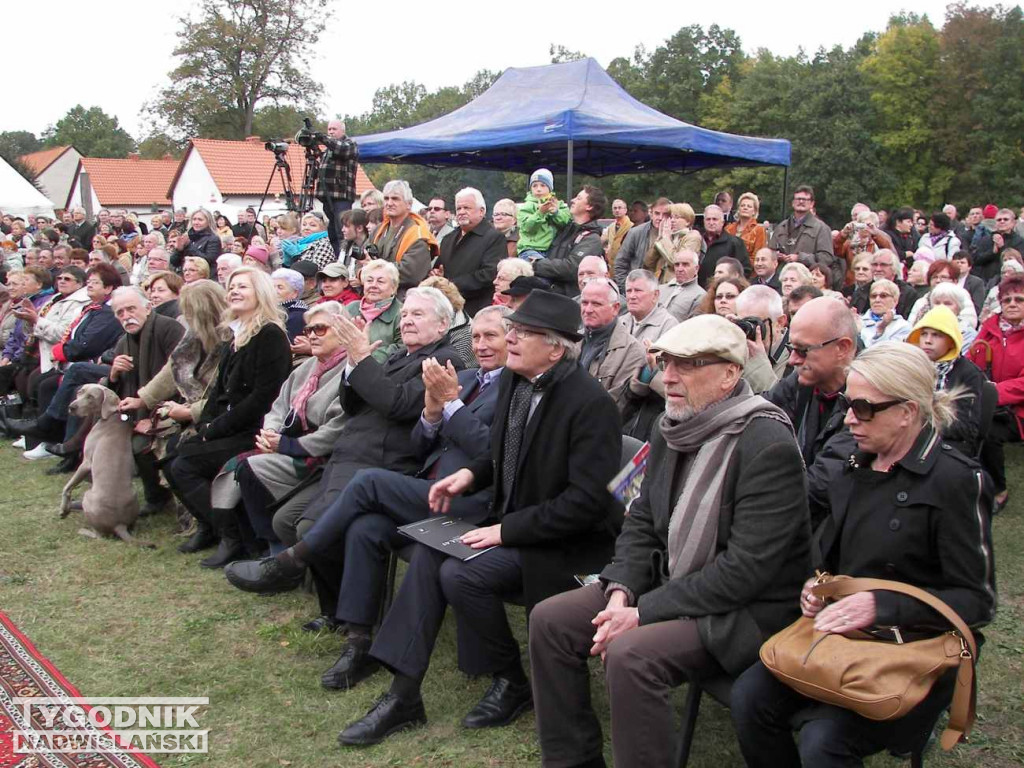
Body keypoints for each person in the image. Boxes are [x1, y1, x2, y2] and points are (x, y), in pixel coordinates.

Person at [338, 290, 621, 746]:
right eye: (512, 329)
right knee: (434, 556)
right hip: (513, 526)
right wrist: (469, 474)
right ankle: (404, 694)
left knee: (463, 575)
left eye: (521, 333)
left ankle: (510, 680)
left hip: (564, 546)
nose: (510, 339)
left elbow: (586, 505)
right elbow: (502, 453)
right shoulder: (515, 378)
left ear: (555, 347)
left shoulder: (590, 405)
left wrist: (504, 531)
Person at [530, 314, 811, 768]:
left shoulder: (767, 444)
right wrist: (620, 590)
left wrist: (642, 612)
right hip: (671, 582)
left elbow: (745, 572)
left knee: (630, 653)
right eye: (665, 363)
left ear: (729, 375)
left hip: (743, 612)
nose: (669, 377)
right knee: (551, 620)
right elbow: (641, 517)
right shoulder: (671, 426)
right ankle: (571, 759)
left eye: (687, 364)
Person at [731, 342, 995, 768]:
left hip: (913, 649)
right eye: (848, 406)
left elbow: (977, 600)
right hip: (840, 636)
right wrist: (818, 584)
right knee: (748, 699)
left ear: (908, 411)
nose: (850, 418)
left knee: (823, 742)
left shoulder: (955, 482)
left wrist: (882, 605)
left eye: (864, 408)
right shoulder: (853, 466)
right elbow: (834, 554)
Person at [226, 306, 507, 655]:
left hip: (469, 502)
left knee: (368, 482)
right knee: (365, 527)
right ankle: (357, 641)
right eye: (477, 336)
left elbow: (493, 454)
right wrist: (433, 416)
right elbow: (414, 438)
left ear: (443, 326)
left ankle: (292, 562)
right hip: (417, 482)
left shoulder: (501, 384)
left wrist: (449, 405)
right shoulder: (464, 380)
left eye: (490, 336)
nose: (480, 344)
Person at [267, 287, 463, 565]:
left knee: (307, 527)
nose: (406, 320)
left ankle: (331, 602)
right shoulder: (398, 356)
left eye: (417, 314)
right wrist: (351, 363)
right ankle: (313, 580)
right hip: (344, 458)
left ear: (443, 324)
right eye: (405, 313)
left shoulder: (444, 359)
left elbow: (397, 404)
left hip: (378, 464)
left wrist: (361, 357)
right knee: (284, 521)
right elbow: (352, 405)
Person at [208, 300, 349, 562]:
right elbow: (278, 407)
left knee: (248, 469)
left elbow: (338, 427)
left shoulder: (350, 370)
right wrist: (270, 433)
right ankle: (249, 543)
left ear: (342, 330)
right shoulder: (306, 368)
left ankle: (272, 550)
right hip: (287, 442)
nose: (312, 336)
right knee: (234, 467)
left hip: (318, 456)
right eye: (308, 330)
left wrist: (284, 445)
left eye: (320, 329)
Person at [167, 268, 292, 563]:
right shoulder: (235, 335)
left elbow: (263, 398)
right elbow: (219, 391)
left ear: (259, 293)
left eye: (242, 287)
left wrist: (213, 429)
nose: (234, 291)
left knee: (184, 464)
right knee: (174, 452)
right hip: (229, 425)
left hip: (255, 431)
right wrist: (205, 423)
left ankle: (231, 534)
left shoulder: (269, 335)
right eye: (231, 287)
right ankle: (213, 527)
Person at [767, 296, 858, 466]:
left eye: (802, 350)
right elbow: (761, 407)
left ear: (842, 348)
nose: (792, 360)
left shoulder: (868, 401)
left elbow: (825, 479)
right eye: (791, 348)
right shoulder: (803, 379)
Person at [968, 273, 1024, 510]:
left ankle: (998, 490)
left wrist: (991, 393)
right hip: (990, 401)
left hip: (1018, 410)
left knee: (987, 428)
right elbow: (971, 362)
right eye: (1007, 299)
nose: (1012, 304)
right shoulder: (989, 330)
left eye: (1019, 299)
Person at [906, 306, 985, 456]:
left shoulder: (968, 373)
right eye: (924, 334)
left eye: (936, 335)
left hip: (948, 442)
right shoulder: (911, 366)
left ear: (951, 340)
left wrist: (922, 424)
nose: (928, 341)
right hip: (907, 434)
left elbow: (967, 428)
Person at [580, 278, 647, 412]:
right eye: (584, 303)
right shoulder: (571, 340)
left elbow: (615, 406)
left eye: (596, 304)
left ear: (615, 308)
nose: (588, 309)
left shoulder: (633, 351)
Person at [436, 188, 506, 316]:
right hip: (447, 308)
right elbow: (440, 266)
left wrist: (450, 285)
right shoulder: (448, 239)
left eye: (467, 208)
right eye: (459, 208)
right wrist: (436, 274)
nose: (462, 212)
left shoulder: (494, 238)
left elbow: (489, 274)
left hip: (476, 310)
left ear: (481, 211)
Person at [531, 186, 606, 297]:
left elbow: (572, 268)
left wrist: (536, 265)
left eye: (578, 198)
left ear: (589, 206)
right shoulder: (566, 228)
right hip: (549, 295)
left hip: (568, 300)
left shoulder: (592, 239)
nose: (572, 200)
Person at [371, 180, 437, 295]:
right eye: (386, 198)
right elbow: (361, 258)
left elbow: (410, 273)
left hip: (405, 298)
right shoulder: (378, 230)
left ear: (409, 204)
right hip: (374, 294)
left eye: (395, 199)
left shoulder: (418, 233)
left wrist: (372, 268)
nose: (389, 203)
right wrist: (363, 271)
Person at [769, 185, 838, 287]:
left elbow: (826, 258)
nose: (801, 202)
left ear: (812, 204)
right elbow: (770, 251)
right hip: (781, 281)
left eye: (805, 199)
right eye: (798, 199)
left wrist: (800, 258)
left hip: (807, 283)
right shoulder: (781, 227)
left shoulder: (821, 228)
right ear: (793, 203)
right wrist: (777, 256)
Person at [316, 120, 359, 253]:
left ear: (342, 131)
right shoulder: (327, 151)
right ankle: (337, 258)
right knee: (333, 233)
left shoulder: (350, 145)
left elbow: (341, 149)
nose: (331, 132)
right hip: (328, 197)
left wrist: (322, 137)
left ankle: (345, 258)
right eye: (329, 129)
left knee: (343, 231)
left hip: (342, 196)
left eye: (334, 129)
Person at [736, 285, 789, 393]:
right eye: (743, 323)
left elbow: (781, 404)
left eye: (754, 323)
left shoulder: (796, 357)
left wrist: (758, 363)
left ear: (779, 323)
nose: (749, 330)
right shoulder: (738, 350)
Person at [615, 198, 671, 291]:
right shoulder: (636, 233)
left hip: (666, 288)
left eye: (665, 214)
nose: (660, 218)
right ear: (651, 213)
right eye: (657, 213)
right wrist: (626, 288)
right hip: (640, 286)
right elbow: (620, 263)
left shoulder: (676, 234)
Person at [516, 168, 570, 260]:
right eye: (534, 186)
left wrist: (556, 213)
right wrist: (540, 213)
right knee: (543, 267)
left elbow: (567, 223)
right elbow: (527, 228)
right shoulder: (526, 206)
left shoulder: (559, 204)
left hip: (553, 250)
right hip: (530, 249)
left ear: (550, 188)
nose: (538, 189)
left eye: (543, 185)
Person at [698, 205, 750, 287]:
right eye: (708, 219)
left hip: (724, 291)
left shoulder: (735, 243)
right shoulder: (697, 241)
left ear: (722, 222)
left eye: (715, 219)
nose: (711, 223)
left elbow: (744, 270)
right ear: (704, 221)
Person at [620, 270, 677, 344]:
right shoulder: (620, 322)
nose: (632, 296)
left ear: (655, 295)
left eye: (638, 291)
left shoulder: (668, 326)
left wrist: (654, 356)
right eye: (629, 291)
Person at [973, 207, 1024, 282]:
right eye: (999, 220)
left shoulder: (1019, 241)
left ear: (1013, 223)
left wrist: (1002, 247)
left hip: (1011, 280)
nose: (1002, 221)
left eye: (1005, 219)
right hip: (987, 280)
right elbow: (976, 260)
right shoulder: (986, 239)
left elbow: (1019, 260)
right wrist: (993, 252)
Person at [658, 249, 705, 322]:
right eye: (677, 265)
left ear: (696, 269)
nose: (680, 269)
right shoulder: (660, 289)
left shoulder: (701, 296)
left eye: (685, 265)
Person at [869, 249, 917, 319]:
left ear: (894, 268)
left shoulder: (908, 293)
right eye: (875, 265)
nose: (878, 269)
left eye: (883, 265)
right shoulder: (862, 291)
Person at [726, 192, 768, 262]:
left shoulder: (759, 230)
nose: (745, 208)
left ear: (754, 211)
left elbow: (757, 256)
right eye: (742, 205)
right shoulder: (728, 228)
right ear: (738, 209)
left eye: (749, 206)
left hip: (747, 269)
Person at [271, 268, 309, 341]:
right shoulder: (272, 310)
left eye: (280, 287)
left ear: (294, 293)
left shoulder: (297, 315)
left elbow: (290, 344)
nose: (274, 291)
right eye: (272, 287)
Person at [952, 249, 987, 313]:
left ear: (969, 267)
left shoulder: (977, 283)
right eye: (957, 262)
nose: (959, 265)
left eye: (962, 262)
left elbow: (977, 307)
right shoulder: (947, 281)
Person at [602, 198, 633, 269]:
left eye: (619, 208)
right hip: (612, 266)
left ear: (625, 210)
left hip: (626, 265)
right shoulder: (611, 227)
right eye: (615, 208)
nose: (617, 210)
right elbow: (604, 241)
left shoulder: (631, 226)